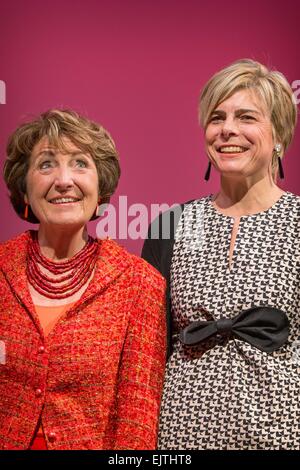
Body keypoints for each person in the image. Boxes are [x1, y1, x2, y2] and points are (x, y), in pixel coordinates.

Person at [142, 59, 299, 450]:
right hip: (178, 440)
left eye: (246, 117)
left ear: (278, 134)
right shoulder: (170, 225)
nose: (228, 129)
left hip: (280, 437)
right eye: (217, 118)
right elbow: (147, 353)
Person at [0, 109, 166, 450]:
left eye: (80, 163)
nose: (64, 180)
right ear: (25, 189)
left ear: (100, 187)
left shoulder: (138, 283)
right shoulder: (2, 268)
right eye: (46, 164)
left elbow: (137, 418)